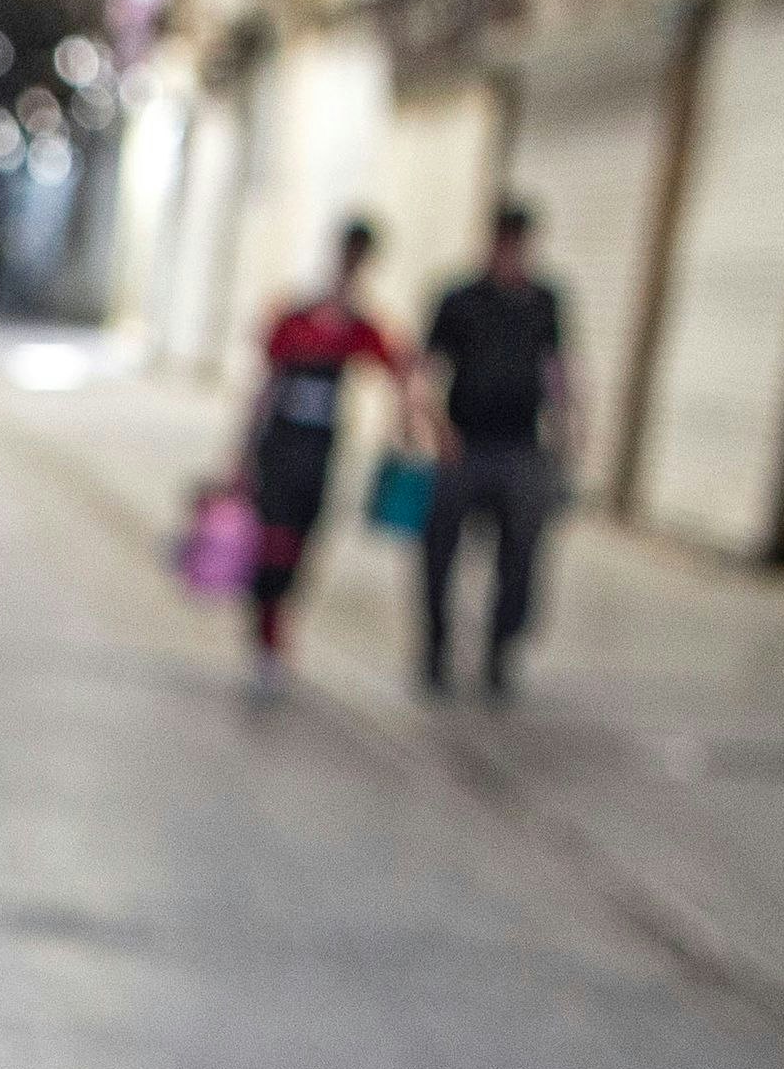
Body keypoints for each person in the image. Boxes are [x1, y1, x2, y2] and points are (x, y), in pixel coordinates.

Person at [235, 220, 430, 687]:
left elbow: (400, 365)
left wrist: (406, 426)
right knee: (274, 543)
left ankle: (276, 629)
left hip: (319, 453)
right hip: (279, 448)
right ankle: (266, 635)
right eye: (348, 258)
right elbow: (264, 387)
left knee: (303, 544)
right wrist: (240, 455)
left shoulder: (360, 327)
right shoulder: (294, 319)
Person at [414, 202, 568, 701]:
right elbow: (427, 369)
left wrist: (568, 429)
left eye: (518, 244)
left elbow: (556, 369)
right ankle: (435, 652)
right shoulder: (459, 300)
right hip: (465, 445)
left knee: (521, 556)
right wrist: (436, 427)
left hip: (521, 448)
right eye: (504, 243)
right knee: (439, 551)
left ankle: (499, 655)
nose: (511, 254)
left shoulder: (545, 302)